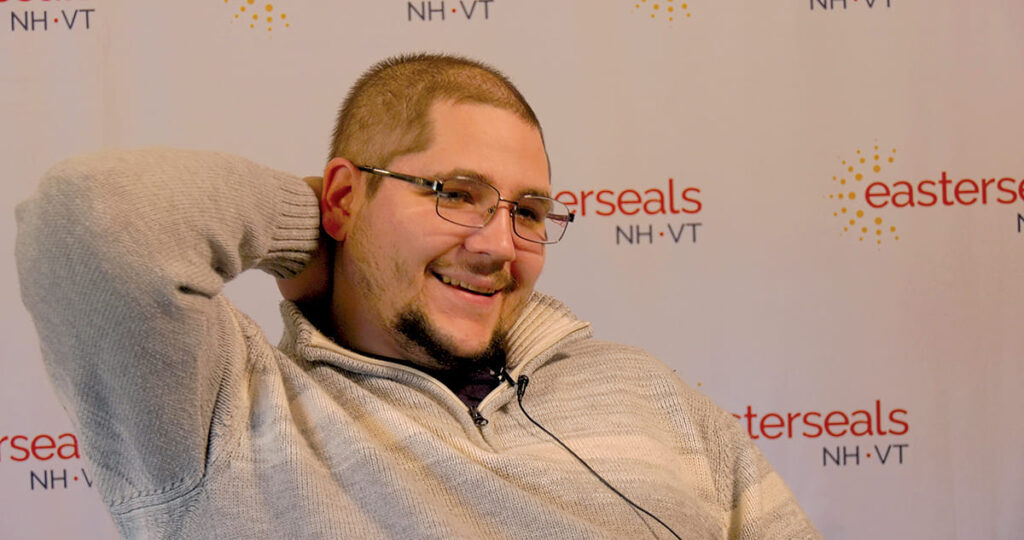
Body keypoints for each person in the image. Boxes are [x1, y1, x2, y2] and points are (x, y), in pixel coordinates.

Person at [16, 54, 819, 538]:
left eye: (529, 212)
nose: (500, 244)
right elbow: (96, 218)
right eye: (456, 193)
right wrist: (321, 229)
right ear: (343, 198)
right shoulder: (219, 411)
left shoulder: (648, 393)